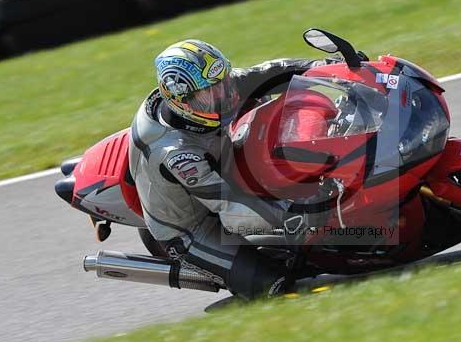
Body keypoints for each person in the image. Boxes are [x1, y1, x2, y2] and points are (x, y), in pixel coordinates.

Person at [128, 39, 323, 299]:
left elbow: (267, 73)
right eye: (211, 93)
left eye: (224, 83)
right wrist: (298, 217)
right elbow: (230, 208)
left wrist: (325, 68)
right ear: (183, 102)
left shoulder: (214, 87)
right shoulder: (178, 155)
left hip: (220, 160)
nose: (224, 95)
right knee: (277, 284)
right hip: (194, 228)